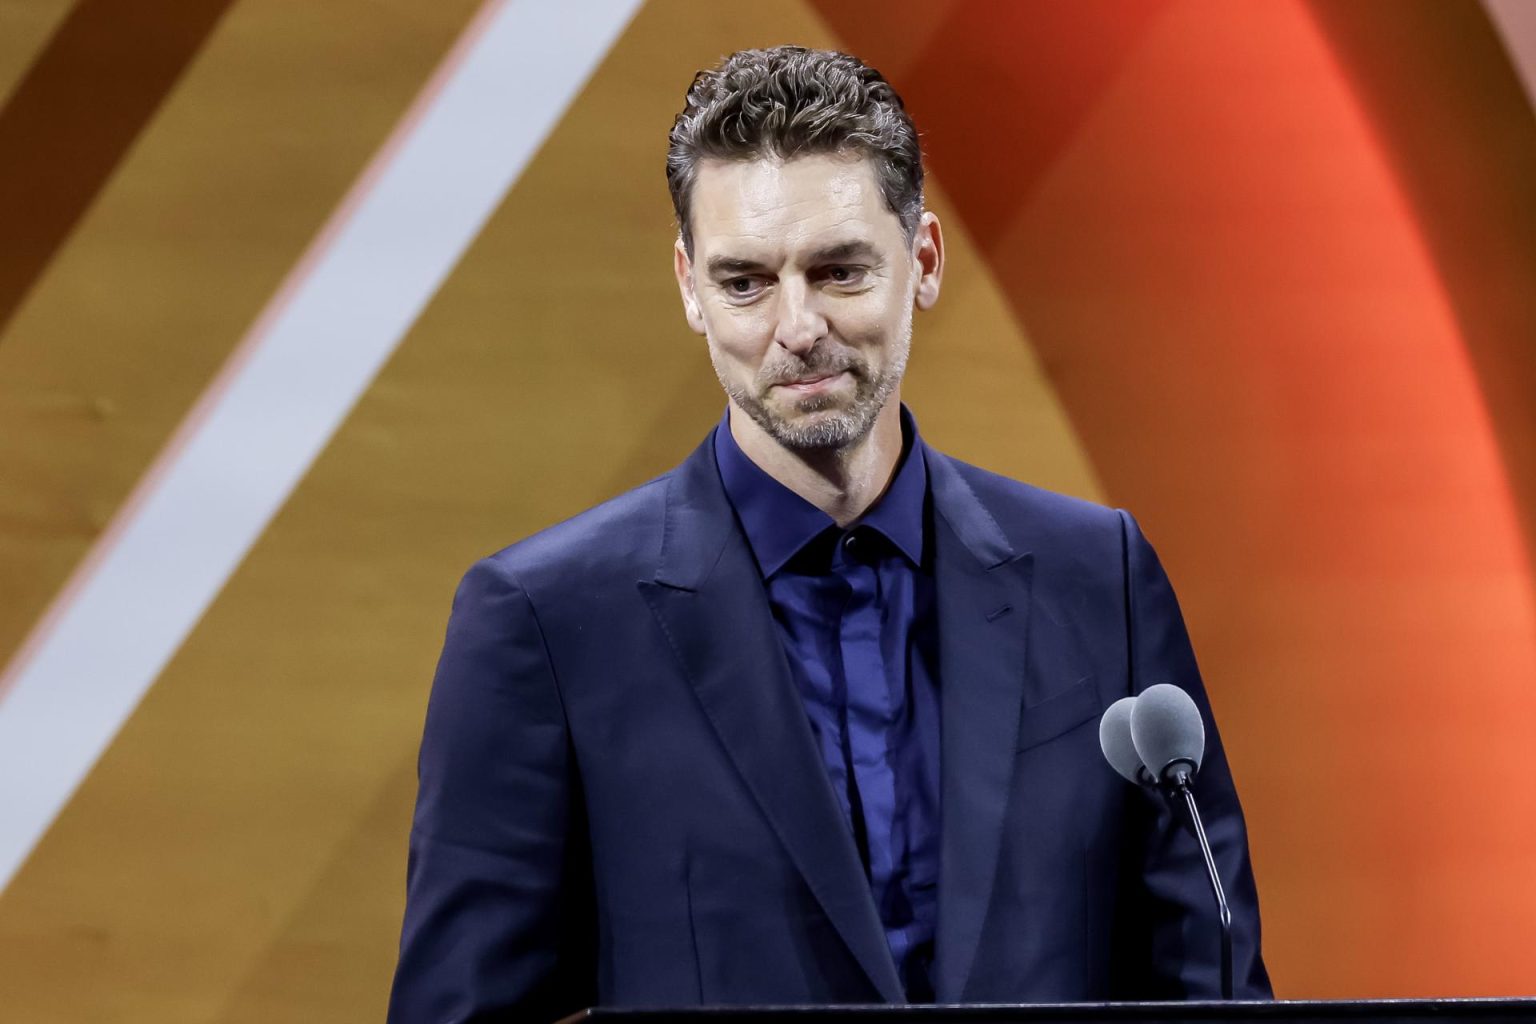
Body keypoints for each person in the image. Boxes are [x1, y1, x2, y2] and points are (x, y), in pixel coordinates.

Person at [388, 45, 1270, 1022]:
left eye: (838, 270)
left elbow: (1216, 985)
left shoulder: (1096, 577)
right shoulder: (546, 624)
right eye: (746, 282)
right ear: (689, 287)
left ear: (922, 261)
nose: (796, 325)